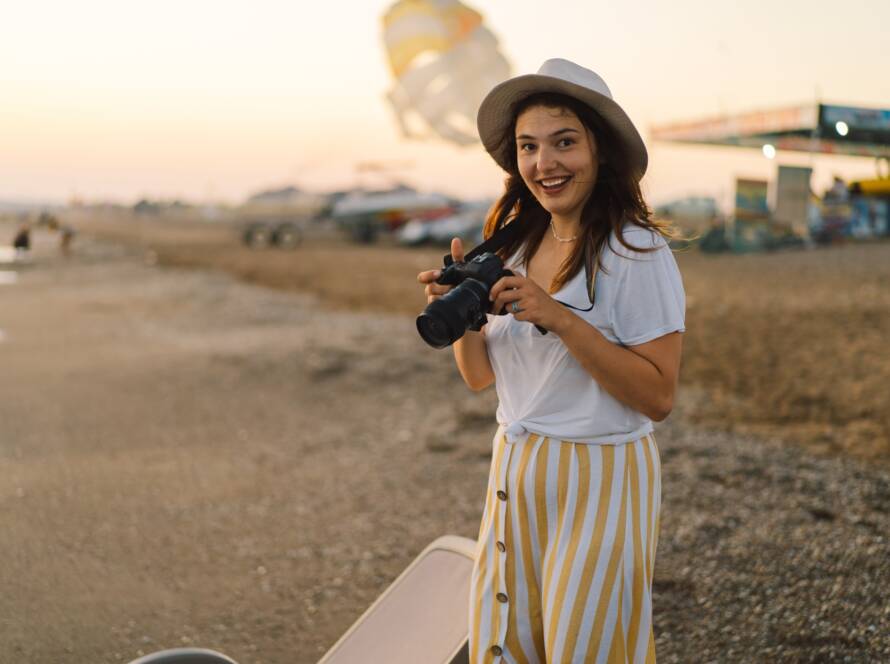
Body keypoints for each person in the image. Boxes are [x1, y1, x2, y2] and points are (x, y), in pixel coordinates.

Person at [417, 59, 685, 663]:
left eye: (565, 142)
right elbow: (480, 377)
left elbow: (659, 396)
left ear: (601, 150)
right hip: (514, 469)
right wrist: (464, 312)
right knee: (506, 642)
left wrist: (560, 316)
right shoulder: (510, 242)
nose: (546, 164)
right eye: (529, 147)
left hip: (600, 476)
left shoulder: (636, 249)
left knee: (586, 647)